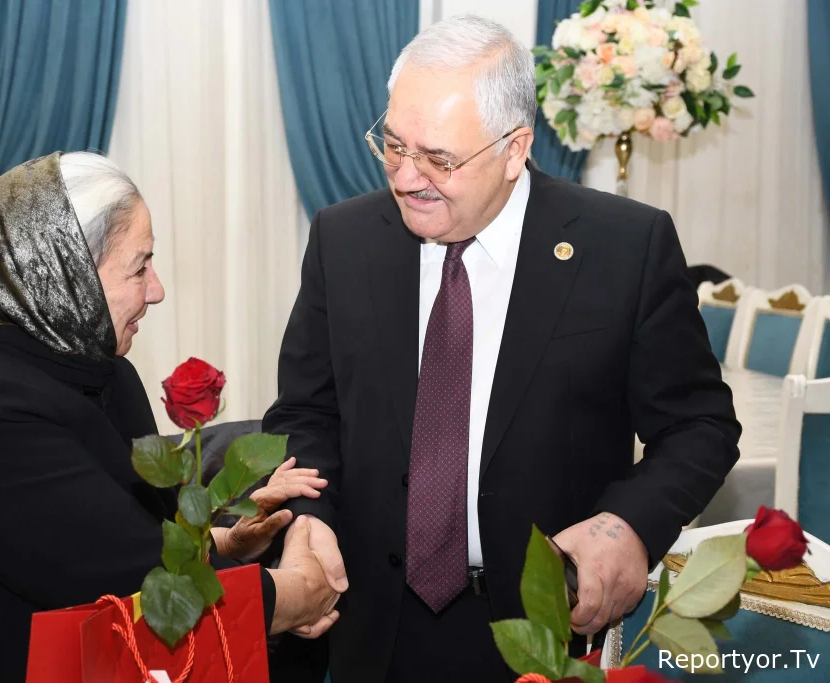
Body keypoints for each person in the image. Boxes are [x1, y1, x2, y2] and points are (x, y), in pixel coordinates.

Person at [263, 15, 741, 682]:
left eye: (439, 158)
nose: (405, 177)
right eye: (393, 145)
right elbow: (305, 415)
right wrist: (306, 517)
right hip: (372, 627)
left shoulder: (624, 247)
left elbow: (699, 426)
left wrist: (629, 525)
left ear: (514, 149)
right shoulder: (343, 239)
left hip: (548, 625)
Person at [0, 152, 342, 682]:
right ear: (66, 274)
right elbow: (133, 581)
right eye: (139, 267)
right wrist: (300, 591)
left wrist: (225, 540)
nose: (157, 289)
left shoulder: (95, 372)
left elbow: (112, 536)